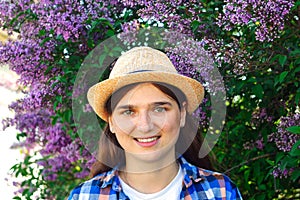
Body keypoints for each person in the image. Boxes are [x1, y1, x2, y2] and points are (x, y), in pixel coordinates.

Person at [68, 46, 243, 199]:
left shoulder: (220, 192)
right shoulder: (84, 196)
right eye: (129, 112)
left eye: (159, 109)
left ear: (182, 114)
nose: (145, 125)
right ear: (111, 121)